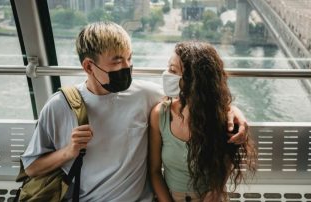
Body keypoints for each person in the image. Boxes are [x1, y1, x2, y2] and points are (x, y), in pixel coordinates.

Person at [21, 22, 250, 201]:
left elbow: (195, 95)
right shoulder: (59, 106)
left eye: (129, 58)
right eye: (117, 61)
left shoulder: (145, 95)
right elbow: (32, 167)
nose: (127, 67)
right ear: (89, 66)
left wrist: (232, 110)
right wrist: (68, 151)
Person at [148, 41, 257, 202]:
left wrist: (215, 192)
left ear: (194, 81)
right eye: (168, 68)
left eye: (173, 70)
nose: (166, 74)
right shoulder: (160, 114)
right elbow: (154, 171)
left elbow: (223, 167)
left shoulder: (222, 119)